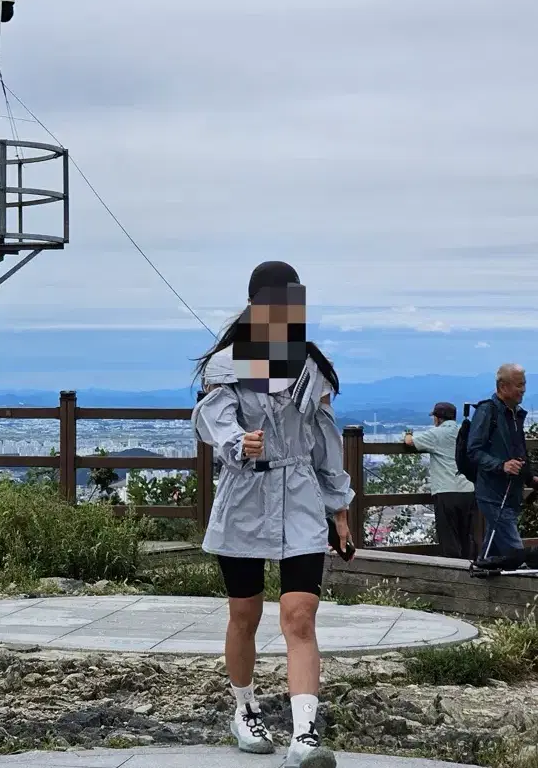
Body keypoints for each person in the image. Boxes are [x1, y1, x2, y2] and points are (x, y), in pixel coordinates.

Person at [193, 260, 353, 768]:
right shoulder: (226, 364)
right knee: (245, 614)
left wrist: (340, 510)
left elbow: (326, 444)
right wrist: (241, 442)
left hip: (301, 499)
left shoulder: (312, 369)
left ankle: (305, 732)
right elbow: (212, 423)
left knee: (300, 614)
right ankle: (244, 709)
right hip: (244, 501)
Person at [467, 364, 535, 559]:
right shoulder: (487, 411)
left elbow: (519, 452)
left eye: (524, 384)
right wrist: (501, 465)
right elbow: (473, 450)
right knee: (515, 551)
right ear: (503, 387)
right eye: (518, 385)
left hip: (510, 493)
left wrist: (530, 479)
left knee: (492, 550)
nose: (523, 389)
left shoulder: (515, 415)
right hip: (492, 493)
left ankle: (480, 575)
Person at [403, 403, 476, 559]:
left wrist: (408, 433)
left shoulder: (436, 434)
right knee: (466, 536)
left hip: (446, 490)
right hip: (468, 489)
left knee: (449, 537)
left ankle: (453, 572)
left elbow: (410, 442)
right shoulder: (465, 432)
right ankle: (469, 570)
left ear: (437, 418)